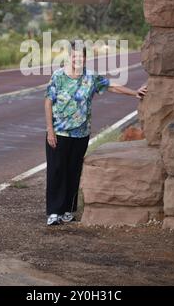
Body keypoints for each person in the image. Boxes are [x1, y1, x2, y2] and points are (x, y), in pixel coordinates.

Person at [44, 40, 147, 226]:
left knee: (74, 172)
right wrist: (50, 130)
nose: (77, 59)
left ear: (85, 58)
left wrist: (135, 93)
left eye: (81, 56)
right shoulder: (58, 76)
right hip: (59, 133)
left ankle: (68, 210)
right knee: (56, 171)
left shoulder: (91, 77)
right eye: (74, 56)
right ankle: (53, 212)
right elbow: (48, 102)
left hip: (81, 135)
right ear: (69, 57)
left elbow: (112, 86)